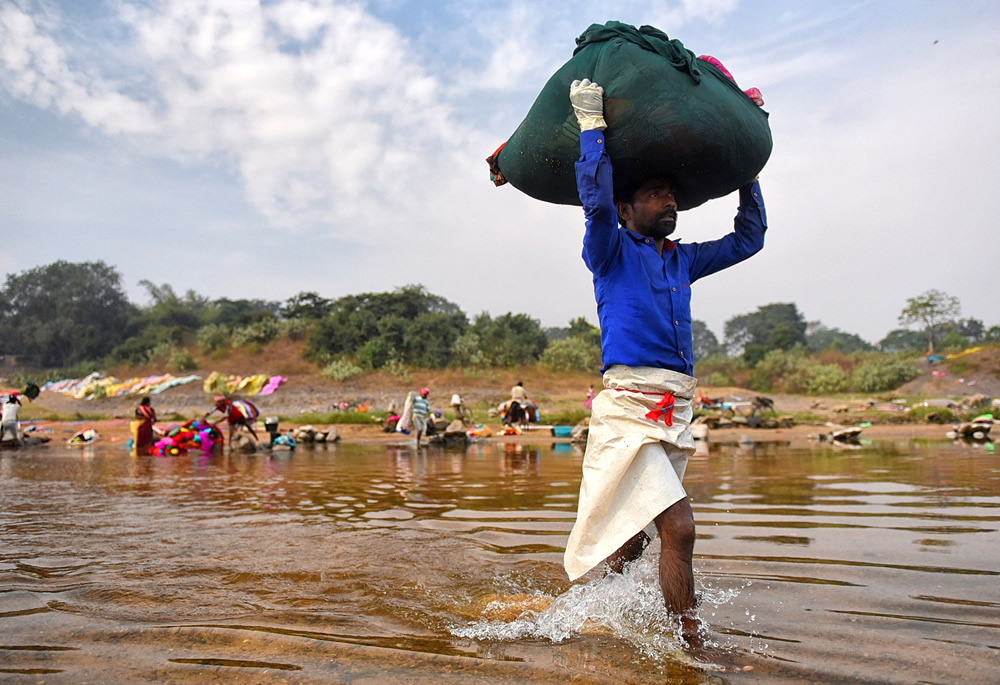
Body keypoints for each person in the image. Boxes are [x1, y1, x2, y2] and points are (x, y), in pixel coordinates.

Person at [562, 78, 767, 646]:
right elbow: (596, 202)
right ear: (628, 208)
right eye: (655, 193)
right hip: (630, 403)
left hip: (676, 405)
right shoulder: (608, 250)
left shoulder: (685, 261)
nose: (669, 200)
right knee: (679, 525)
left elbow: (749, 240)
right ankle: (690, 642)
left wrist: (747, 169)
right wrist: (591, 131)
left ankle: (589, 610)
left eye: (671, 194)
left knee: (636, 531)